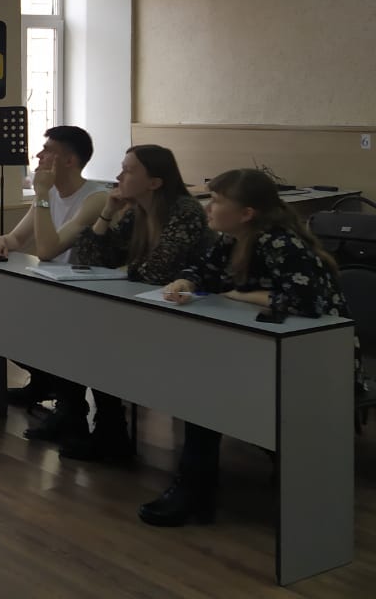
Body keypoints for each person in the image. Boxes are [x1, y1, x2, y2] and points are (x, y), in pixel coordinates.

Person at [140, 168, 357, 526]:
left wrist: (240, 295)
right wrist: (185, 281)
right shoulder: (231, 239)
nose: (208, 207)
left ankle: (195, 489)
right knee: (200, 383)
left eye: (217, 201)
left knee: (205, 390)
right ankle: (198, 485)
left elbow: (304, 301)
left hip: (316, 358)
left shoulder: (280, 243)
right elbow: (203, 271)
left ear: (246, 213)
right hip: (263, 346)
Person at [31, 145, 211, 460]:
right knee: (68, 333)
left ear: (154, 182)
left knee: (98, 342)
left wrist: (127, 268)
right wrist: (107, 213)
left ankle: (109, 431)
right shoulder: (137, 211)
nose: (118, 176)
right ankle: (79, 420)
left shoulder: (186, 211)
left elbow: (158, 271)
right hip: (145, 308)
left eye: (128, 170)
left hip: (189, 316)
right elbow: (92, 258)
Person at [0, 126, 109, 407]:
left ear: (69, 161)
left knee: (36, 331)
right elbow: (17, 238)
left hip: (82, 295)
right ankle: (43, 382)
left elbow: (48, 250)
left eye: (48, 151)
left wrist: (41, 193)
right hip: (50, 288)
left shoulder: (96, 198)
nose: (39, 155)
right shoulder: (48, 195)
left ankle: (64, 398)